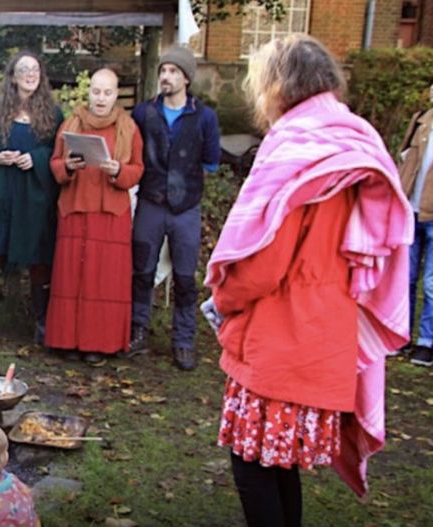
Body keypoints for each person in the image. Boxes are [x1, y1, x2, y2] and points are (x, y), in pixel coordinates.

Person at [204, 35, 410, 526]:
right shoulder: (353, 138)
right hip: (326, 336)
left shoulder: (296, 148)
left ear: (278, 84)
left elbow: (263, 264)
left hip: (283, 337)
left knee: (253, 465)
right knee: (279, 464)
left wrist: (223, 297)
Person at [129, 45, 222, 371]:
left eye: (172, 71)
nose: (165, 77)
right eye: (163, 71)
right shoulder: (143, 113)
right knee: (141, 270)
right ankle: (137, 329)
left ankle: (183, 340)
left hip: (186, 209)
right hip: (150, 203)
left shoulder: (204, 118)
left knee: (185, 277)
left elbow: (211, 162)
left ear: (186, 78)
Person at [0, 51, 63, 348]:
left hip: (34, 200)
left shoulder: (53, 116)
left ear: (41, 76)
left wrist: (36, 158)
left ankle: (42, 324)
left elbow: (61, 155)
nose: (30, 74)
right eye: (23, 70)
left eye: (35, 69)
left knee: (39, 261)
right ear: (13, 77)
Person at [46, 68, 144, 363]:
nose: (101, 98)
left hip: (111, 214)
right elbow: (55, 162)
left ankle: (98, 345)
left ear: (116, 95)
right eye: (96, 91)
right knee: (71, 278)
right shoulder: (71, 123)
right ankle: (67, 342)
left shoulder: (129, 127)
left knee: (104, 281)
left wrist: (119, 171)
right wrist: (69, 166)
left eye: (108, 92)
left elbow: (138, 169)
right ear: (89, 92)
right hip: (75, 208)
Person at [399, 82, 433, 366]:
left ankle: (426, 341)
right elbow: (404, 159)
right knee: (405, 277)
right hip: (411, 210)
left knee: (432, 283)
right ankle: (401, 336)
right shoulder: (421, 121)